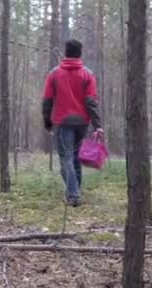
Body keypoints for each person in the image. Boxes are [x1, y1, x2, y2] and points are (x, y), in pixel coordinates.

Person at [42, 39, 103, 207]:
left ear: (66, 52)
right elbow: (91, 102)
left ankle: (73, 195)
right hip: (82, 122)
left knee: (66, 158)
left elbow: (47, 100)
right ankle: (75, 189)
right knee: (74, 157)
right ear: (80, 53)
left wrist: (47, 121)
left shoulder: (54, 74)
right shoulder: (87, 74)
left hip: (62, 121)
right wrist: (97, 124)